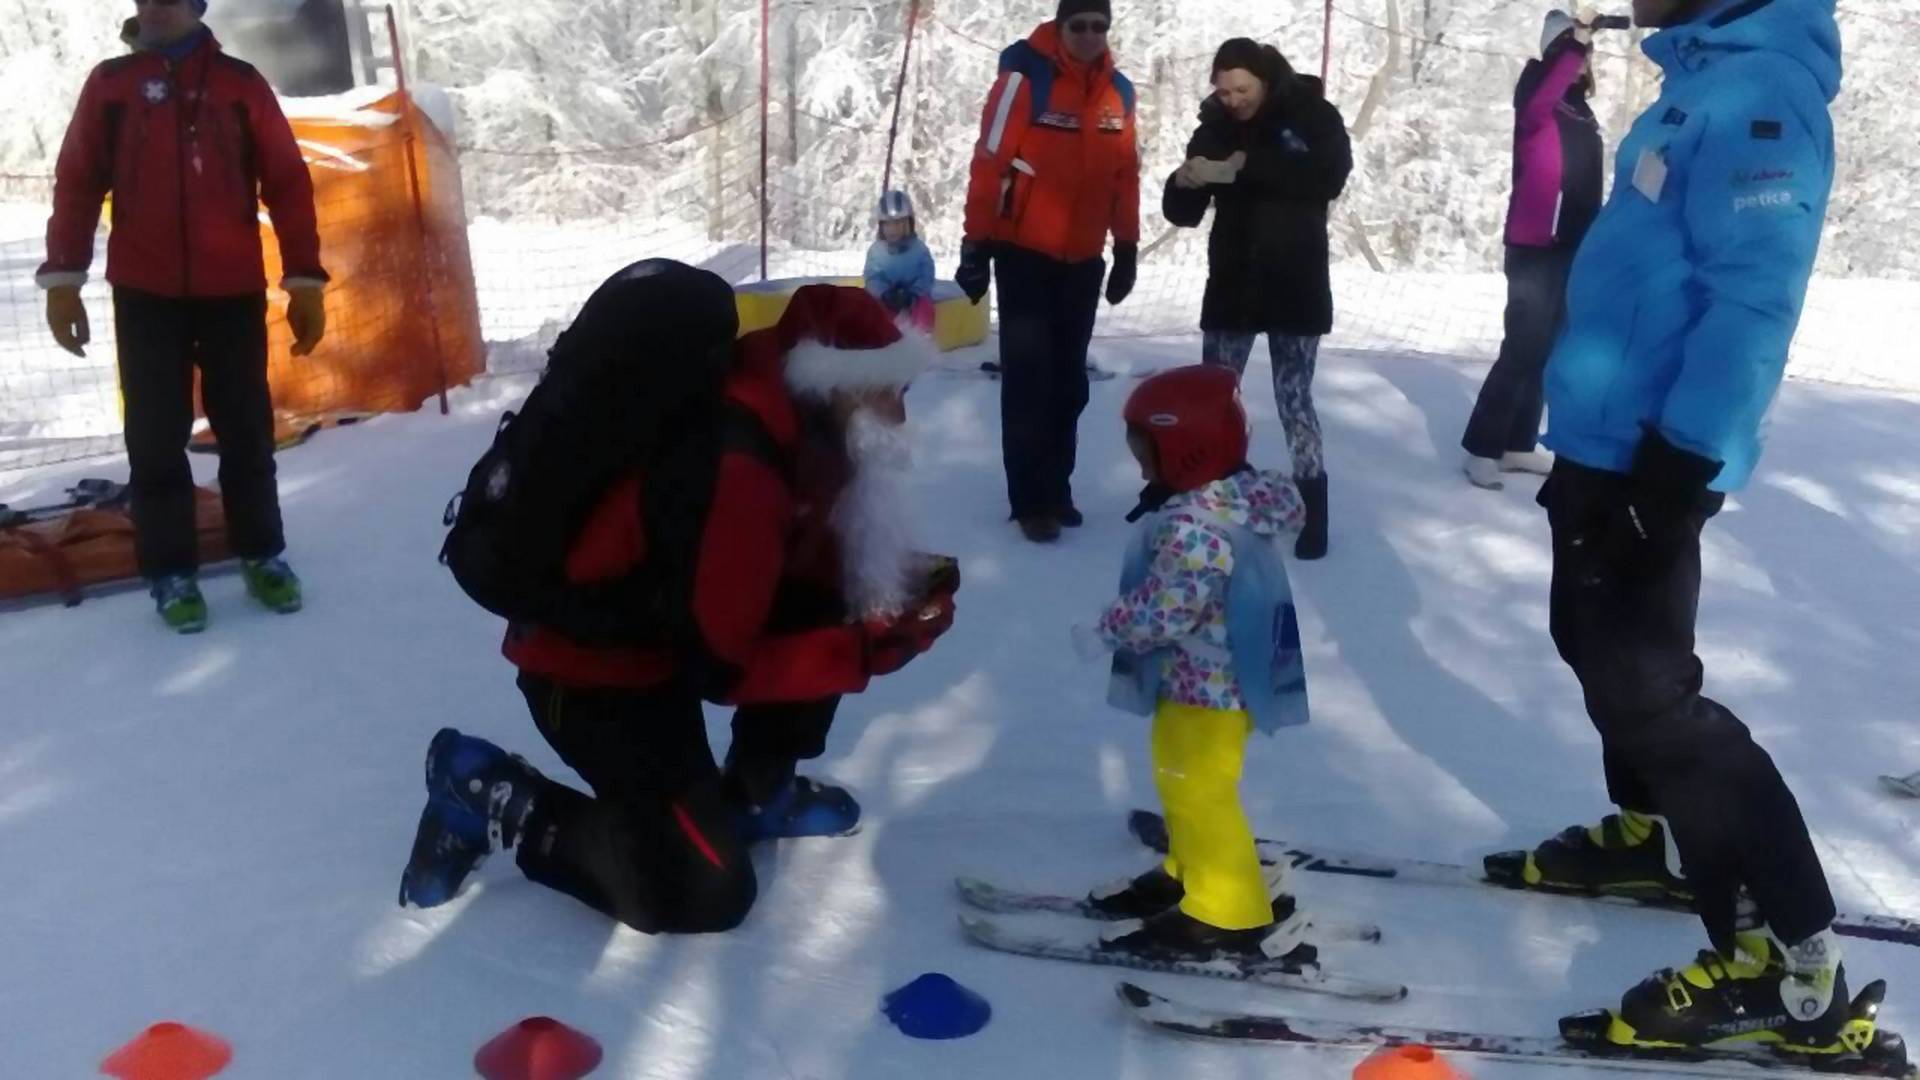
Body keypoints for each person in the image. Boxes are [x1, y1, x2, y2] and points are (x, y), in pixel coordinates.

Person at [1500, 0, 1853, 1051]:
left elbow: (1755, 297)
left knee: (1655, 700)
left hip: (1654, 449)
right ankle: (1656, 838)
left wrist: (1685, 456)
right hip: (1605, 436)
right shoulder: (1697, 80)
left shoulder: (1760, 96)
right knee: (1594, 650)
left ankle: (1791, 968)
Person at [399, 276, 959, 935]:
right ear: (834, 381)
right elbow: (720, 668)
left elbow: (801, 574)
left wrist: (886, 595)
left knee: (829, 606)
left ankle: (755, 793)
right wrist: (865, 649)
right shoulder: (745, 463)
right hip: (590, 671)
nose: (898, 416)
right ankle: (486, 792)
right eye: (886, 393)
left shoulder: (807, 423)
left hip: (663, 633)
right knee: (704, 889)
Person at [37, 0, 328, 633]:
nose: (158, 6)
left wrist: (304, 277)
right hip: (145, 292)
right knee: (155, 436)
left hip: (232, 291)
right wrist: (64, 277)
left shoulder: (240, 83)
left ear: (196, 6)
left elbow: (286, 180)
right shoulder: (110, 85)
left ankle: (263, 554)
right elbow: (78, 181)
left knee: (247, 430)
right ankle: (170, 571)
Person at [1070, 364, 1312, 960]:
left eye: (1146, 452)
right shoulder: (1230, 499)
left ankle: (1227, 911)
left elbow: (1169, 609)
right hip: (1207, 683)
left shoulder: (1197, 526)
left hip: (1212, 689)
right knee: (1180, 781)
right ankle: (1188, 872)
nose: (1141, 466)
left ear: (1186, 449)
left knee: (1201, 792)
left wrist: (1107, 629)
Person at [954, 0, 1141, 544]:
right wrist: (975, 243)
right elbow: (989, 162)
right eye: (1078, 25)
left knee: (1068, 382)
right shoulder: (1025, 78)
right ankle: (1031, 500)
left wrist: (1126, 246)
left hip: (1082, 259)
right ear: (1060, 28)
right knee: (1030, 379)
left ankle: (1058, 490)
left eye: (1098, 26)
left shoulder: (1119, 93)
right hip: (1025, 253)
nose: (1088, 35)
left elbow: (1125, 175)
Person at [1162, 39, 1350, 560]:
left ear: (1266, 81)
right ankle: (1208, 497)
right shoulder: (1214, 125)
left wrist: (1246, 167)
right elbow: (1183, 212)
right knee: (1213, 399)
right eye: (1223, 91)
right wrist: (1183, 182)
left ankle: (1313, 506)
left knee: (1295, 399)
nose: (1233, 99)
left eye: (1242, 89)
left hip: (1296, 280)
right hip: (1234, 282)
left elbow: (1327, 178)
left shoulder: (1312, 115)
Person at [1461, 8, 1605, 491]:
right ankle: (1482, 446)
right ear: (1554, 51)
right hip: (1535, 244)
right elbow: (1547, 87)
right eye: (1569, 46)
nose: (1581, 56)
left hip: (1572, 243)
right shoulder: (1535, 96)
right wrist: (1575, 43)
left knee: (1547, 349)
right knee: (1521, 346)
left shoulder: (1582, 111)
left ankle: (1517, 442)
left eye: (1584, 48)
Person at [864, 190, 937, 334]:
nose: (893, 229)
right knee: (873, 308)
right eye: (888, 224)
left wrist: (914, 294)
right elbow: (872, 278)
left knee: (924, 308)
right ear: (881, 226)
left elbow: (926, 276)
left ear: (908, 223)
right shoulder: (876, 251)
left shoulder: (919, 250)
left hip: (914, 298)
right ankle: (884, 343)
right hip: (886, 298)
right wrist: (884, 294)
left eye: (898, 223)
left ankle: (921, 342)